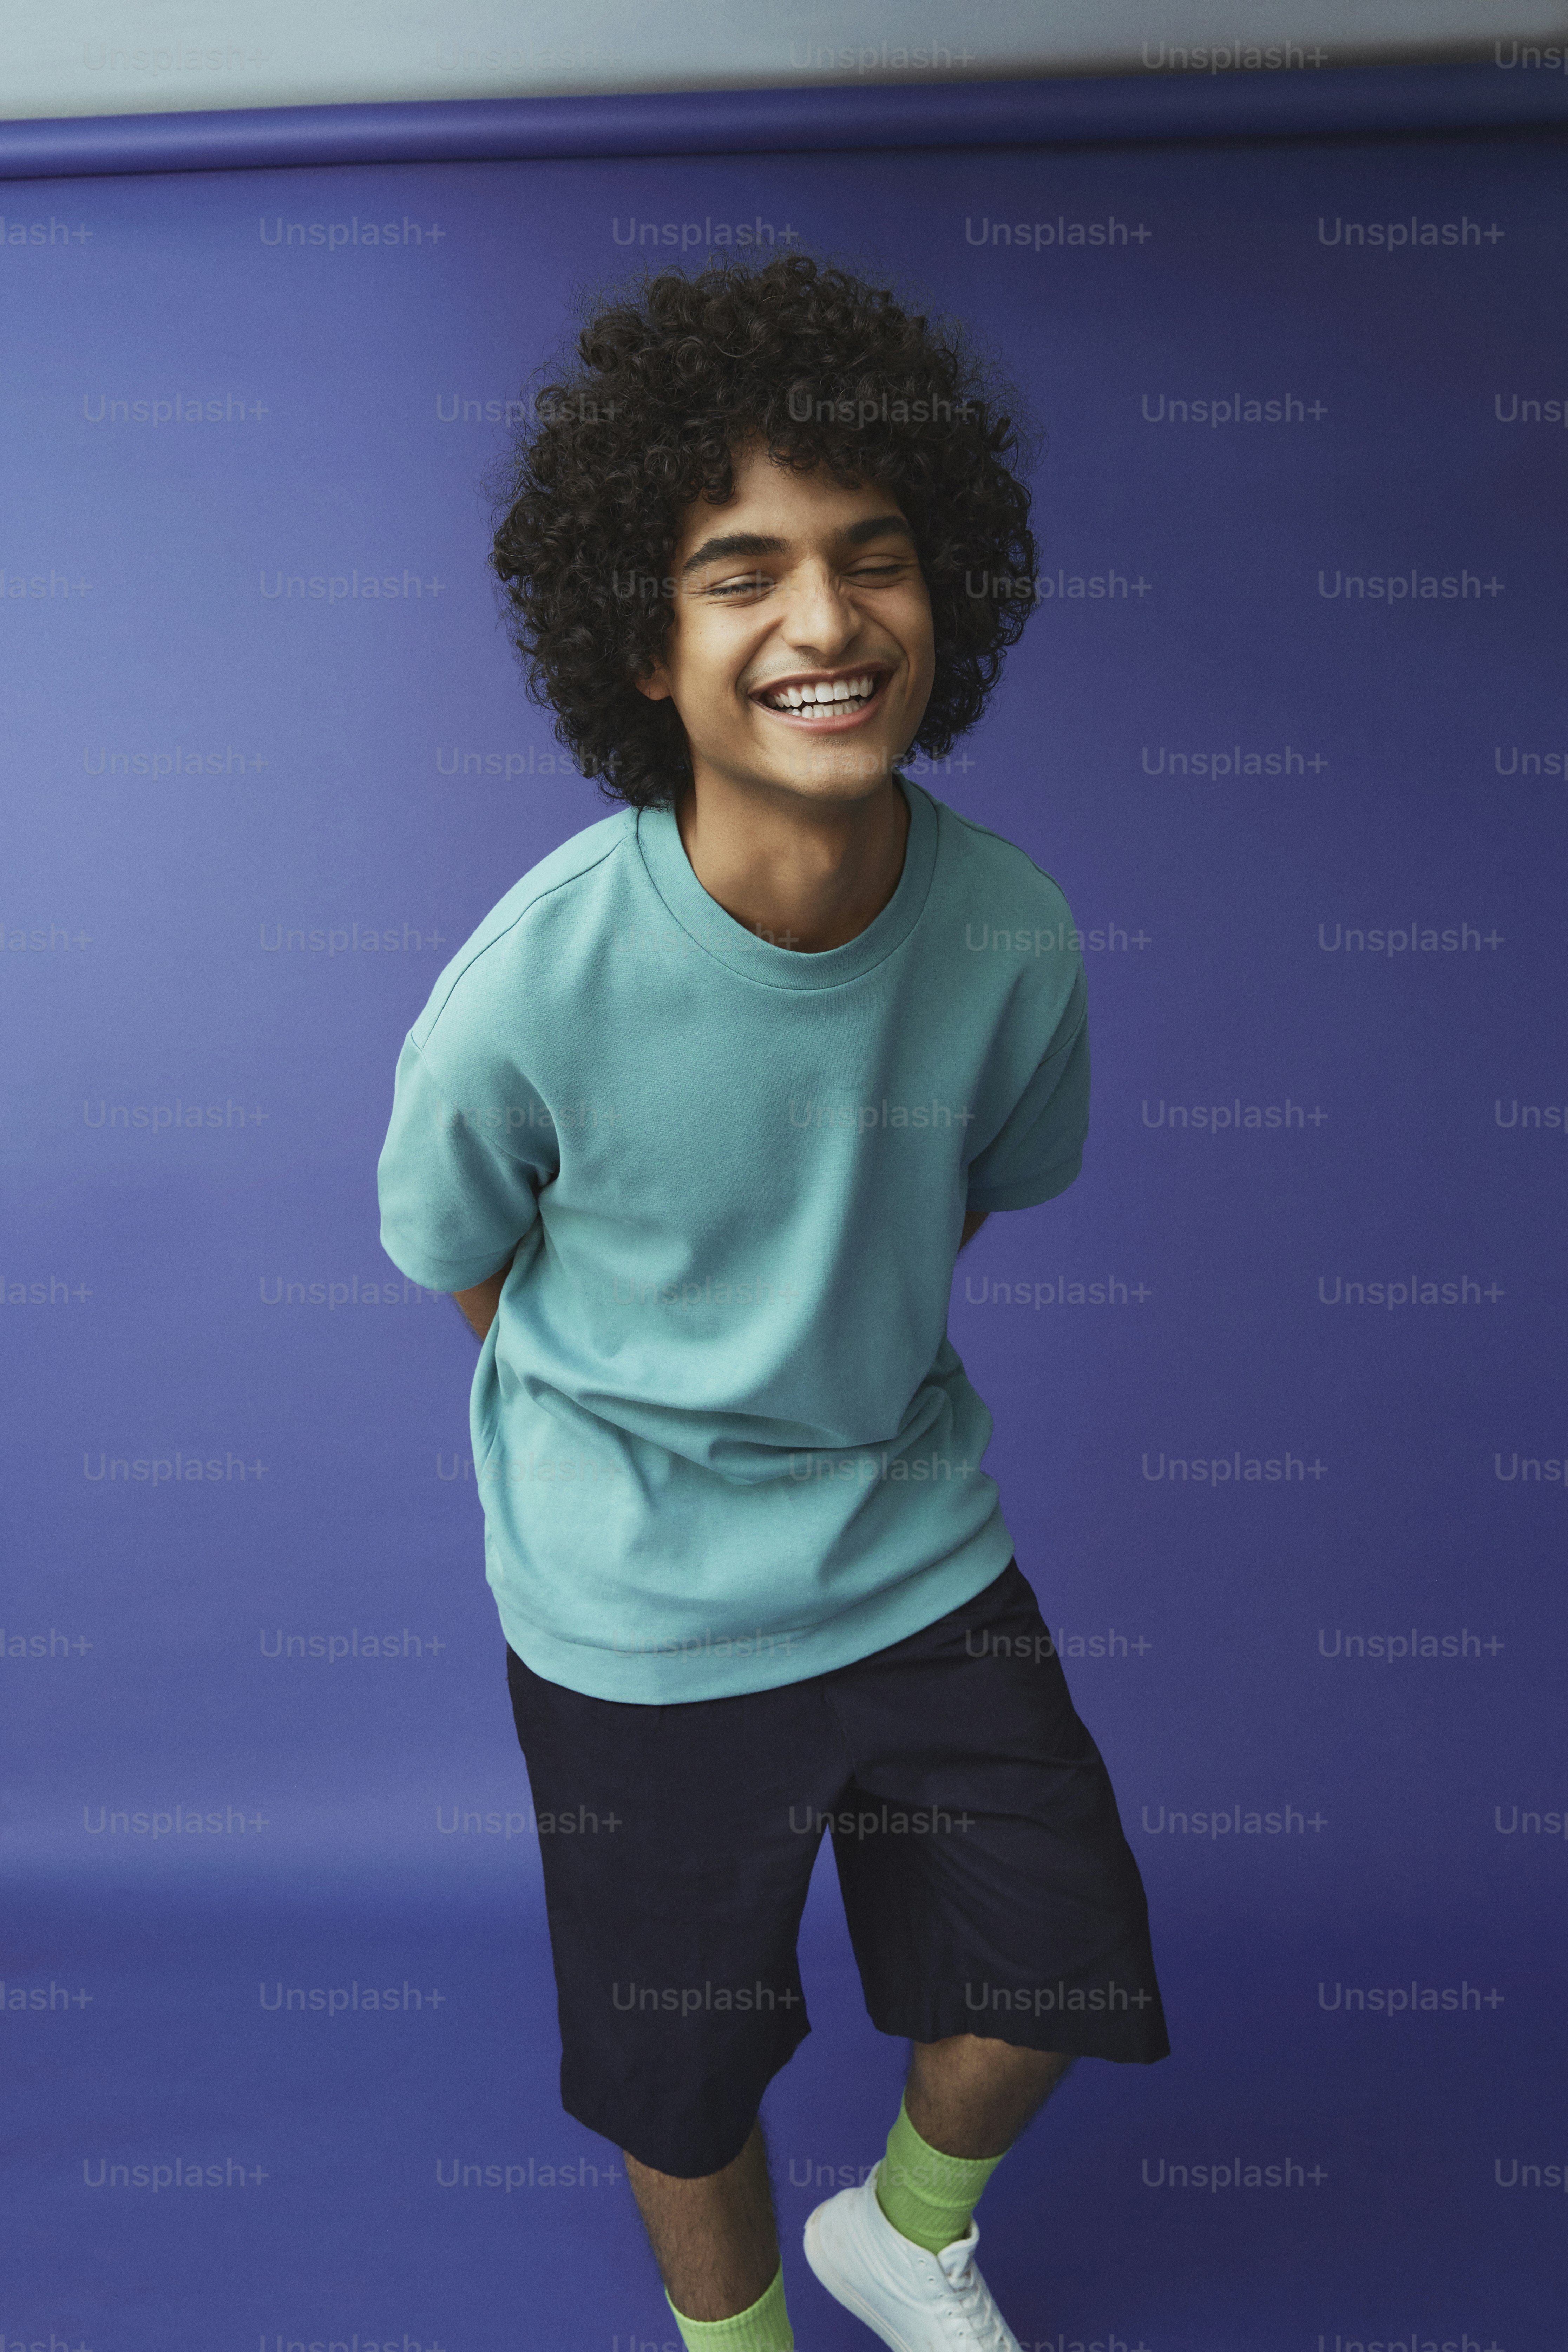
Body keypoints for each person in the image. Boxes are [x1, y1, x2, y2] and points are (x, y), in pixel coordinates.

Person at [376, 252, 1167, 2352]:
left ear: (943, 596)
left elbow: (950, 1202)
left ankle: (902, 2236)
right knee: (682, 2067)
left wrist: (814, 1376)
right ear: (642, 640)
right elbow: (461, 1252)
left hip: (911, 1551)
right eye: (740, 573)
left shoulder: (1009, 935)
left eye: (869, 560)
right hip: (633, 1615)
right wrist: (644, 1431)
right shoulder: (534, 973)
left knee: (1059, 1962)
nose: (822, 625)